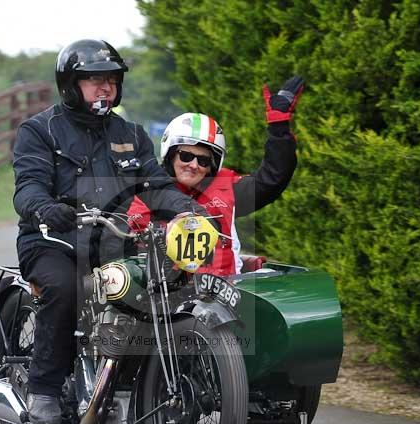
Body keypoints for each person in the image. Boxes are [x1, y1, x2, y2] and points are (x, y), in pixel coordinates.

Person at [12, 39, 211, 424]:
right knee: (66, 288)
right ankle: (44, 389)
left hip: (113, 243)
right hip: (53, 240)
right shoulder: (40, 130)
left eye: (111, 80)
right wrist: (47, 207)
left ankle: (142, 384)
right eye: (93, 80)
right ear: (70, 85)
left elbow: (157, 185)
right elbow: (28, 186)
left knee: (164, 290)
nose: (105, 88)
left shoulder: (131, 133)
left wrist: (190, 210)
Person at [127, 76, 304, 276]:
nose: (193, 165)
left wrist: (278, 128)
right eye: (186, 156)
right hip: (167, 298)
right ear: (169, 154)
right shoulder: (147, 192)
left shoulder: (227, 187)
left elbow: (273, 178)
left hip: (226, 298)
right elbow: (129, 241)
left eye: (203, 160)